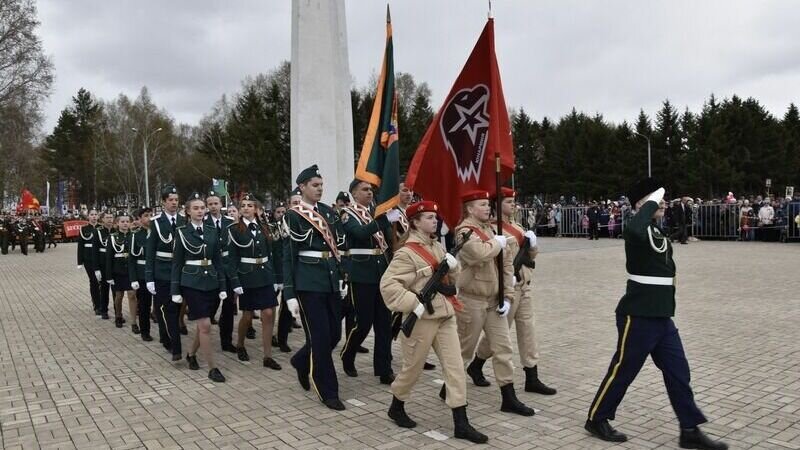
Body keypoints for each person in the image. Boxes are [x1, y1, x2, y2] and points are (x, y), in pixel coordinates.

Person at [585, 177, 728, 450]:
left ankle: (689, 429)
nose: (661, 201)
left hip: (661, 316)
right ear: (641, 204)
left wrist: (653, 203)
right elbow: (636, 229)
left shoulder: (655, 231)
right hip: (638, 315)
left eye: (661, 198)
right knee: (623, 370)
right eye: (654, 198)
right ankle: (596, 418)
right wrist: (649, 204)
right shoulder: (637, 229)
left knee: (678, 371)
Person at [379, 200, 487, 444]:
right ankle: (397, 405)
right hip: (421, 319)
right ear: (415, 222)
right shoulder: (406, 253)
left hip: (445, 316)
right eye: (428, 217)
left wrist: (455, 267)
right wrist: (412, 302)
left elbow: (449, 283)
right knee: (412, 369)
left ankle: (461, 422)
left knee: (456, 368)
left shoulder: (438, 247)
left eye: (434, 217)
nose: (434, 221)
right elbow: (388, 285)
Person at [450, 190, 535, 416]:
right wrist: (497, 244)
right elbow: (477, 254)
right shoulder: (464, 232)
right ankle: (450, 388)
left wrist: (507, 296)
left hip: (493, 300)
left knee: (503, 348)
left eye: (488, 204)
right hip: (472, 300)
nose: (488, 208)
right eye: (482, 204)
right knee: (464, 351)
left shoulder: (491, 230)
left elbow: (507, 266)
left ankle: (508, 397)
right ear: (469, 208)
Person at [468, 188, 556, 396]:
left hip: (524, 286)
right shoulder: (493, 229)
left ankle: (531, 377)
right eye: (508, 201)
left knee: (528, 332)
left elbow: (530, 257)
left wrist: (533, 245)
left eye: (514, 201)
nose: (513, 205)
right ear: (497, 205)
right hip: (508, 289)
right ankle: (477, 364)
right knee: (497, 336)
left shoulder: (516, 226)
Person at [282, 165, 348, 410]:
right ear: (302, 187)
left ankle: (301, 360)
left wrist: (342, 278)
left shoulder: (329, 213)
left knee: (334, 335)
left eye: (321, 185)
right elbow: (288, 256)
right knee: (320, 338)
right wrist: (289, 293)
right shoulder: (293, 216)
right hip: (308, 284)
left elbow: (337, 249)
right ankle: (328, 391)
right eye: (314, 185)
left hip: (330, 280)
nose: (320, 189)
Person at [339, 179, 400, 385]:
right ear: (354, 193)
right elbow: (360, 233)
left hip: (381, 272)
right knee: (363, 323)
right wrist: (384, 220)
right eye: (365, 189)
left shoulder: (376, 211)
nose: (370, 193)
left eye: (371, 189)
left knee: (384, 323)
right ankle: (348, 353)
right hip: (362, 274)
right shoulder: (348, 213)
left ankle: (384, 369)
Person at [170, 192, 227, 382]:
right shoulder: (182, 233)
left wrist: (223, 285)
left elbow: (218, 261)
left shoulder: (212, 230)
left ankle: (191, 354)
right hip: (191, 283)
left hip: (211, 281)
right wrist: (175, 290)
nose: (200, 211)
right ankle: (213, 368)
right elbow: (177, 263)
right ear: (187, 212)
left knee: (205, 326)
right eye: (196, 208)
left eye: (202, 208)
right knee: (205, 325)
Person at [228, 193, 282, 370]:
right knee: (247, 315)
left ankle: (267, 356)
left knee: (268, 313)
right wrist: (235, 282)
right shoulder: (234, 229)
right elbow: (232, 258)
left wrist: (275, 278)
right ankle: (240, 344)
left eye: (249, 205)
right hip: (247, 276)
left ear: (256, 209)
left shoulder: (264, 227)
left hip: (265, 275)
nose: (245, 208)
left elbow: (271, 255)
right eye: (243, 205)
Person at [146, 185, 186, 361]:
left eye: (176, 200)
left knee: (177, 308)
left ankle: (166, 335)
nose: (174, 203)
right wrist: (149, 277)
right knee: (167, 307)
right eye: (170, 200)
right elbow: (150, 251)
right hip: (162, 271)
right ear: (163, 202)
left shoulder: (184, 221)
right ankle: (175, 347)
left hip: (181, 270)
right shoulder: (155, 222)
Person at [204, 191, 237, 352]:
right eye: (210, 204)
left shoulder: (230, 221)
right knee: (211, 305)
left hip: (228, 267)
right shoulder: (203, 223)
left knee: (229, 306)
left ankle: (226, 340)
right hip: (211, 269)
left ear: (221, 204)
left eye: (216, 203)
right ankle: (203, 338)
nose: (213, 207)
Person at [106, 212, 138, 331]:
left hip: (131, 271)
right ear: (117, 223)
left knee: (132, 295)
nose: (125, 224)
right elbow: (109, 258)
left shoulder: (134, 235)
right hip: (117, 271)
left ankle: (134, 322)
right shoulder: (113, 237)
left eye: (127, 221)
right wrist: (109, 275)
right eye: (122, 221)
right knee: (118, 296)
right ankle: (118, 315)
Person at [270, 201, 294, 353]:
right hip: (277, 271)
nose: (281, 215)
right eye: (278, 212)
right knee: (275, 306)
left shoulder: (293, 226)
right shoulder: (272, 229)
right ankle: (276, 336)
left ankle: (282, 337)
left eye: (283, 211)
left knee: (287, 308)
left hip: (292, 271)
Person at [129, 207, 154, 341]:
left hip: (157, 274)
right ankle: (145, 331)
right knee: (144, 305)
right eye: (146, 215)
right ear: (139, 219)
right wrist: (133, 278)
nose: (149, 218)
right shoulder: (136, 235)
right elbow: (132, 259)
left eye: (151, 215)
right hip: (142, 274)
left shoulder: (158, 232)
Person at [77, 210, 102, 315]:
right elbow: (80, 246)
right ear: (88, 217)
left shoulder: (101, 228)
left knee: (102, 282)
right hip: (89, 258)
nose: (94, 217)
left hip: (101, 258)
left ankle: (102, 303)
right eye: (92, 215)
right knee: (94, 281)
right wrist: (79, 261)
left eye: (96, 215)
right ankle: (97, 305)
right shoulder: (84, 229)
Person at [94, 212, 114, 320]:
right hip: (103, 263)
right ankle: (104, 310)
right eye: (107, 218)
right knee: (105, 289)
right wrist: (96, 268)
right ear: (102, 219)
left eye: (111, 217)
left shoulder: (116, 231)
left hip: (115, 264)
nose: (110, 219)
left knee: (116, 290)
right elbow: (95, 251)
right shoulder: (98, 232)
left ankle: (118, 311)